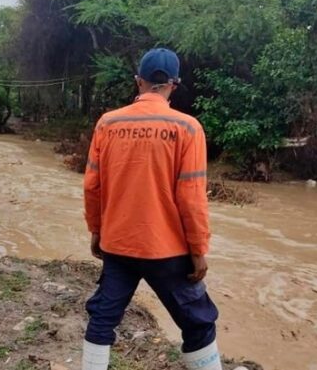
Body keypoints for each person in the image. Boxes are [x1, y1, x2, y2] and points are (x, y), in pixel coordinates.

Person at [81, 49, 246, 370]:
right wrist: (198, 250)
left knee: (103, 318)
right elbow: (191, 198)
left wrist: (96, 232)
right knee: (198, 322)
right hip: (168, 251)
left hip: (117, 245)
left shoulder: (107, 123)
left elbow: (92, 187)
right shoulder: (188, 128)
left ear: (138, 82)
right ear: (174, 84)